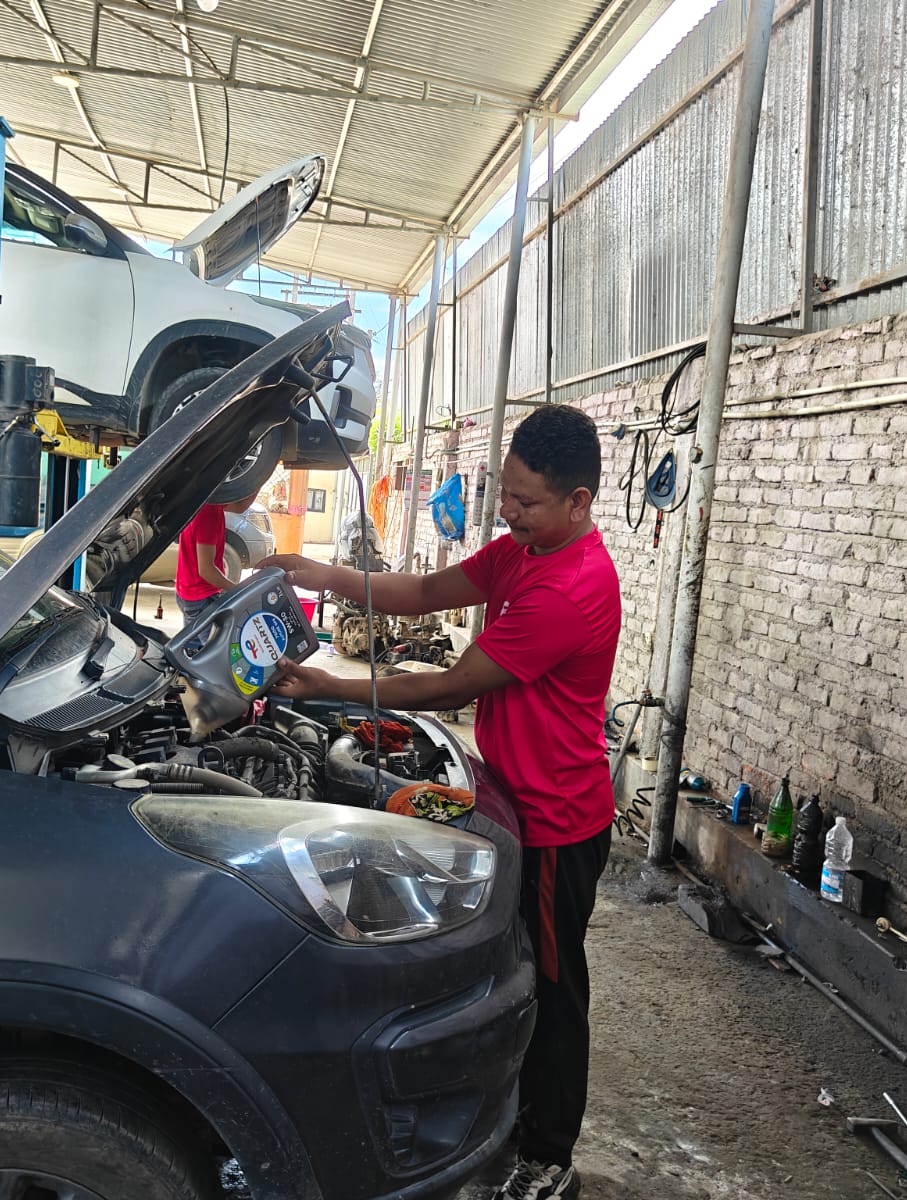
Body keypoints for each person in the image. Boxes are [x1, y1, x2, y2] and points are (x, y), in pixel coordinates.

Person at [262, 404, 621, 1200]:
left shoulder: (571, 588)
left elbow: (453, 685)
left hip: (558, 823)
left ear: (578, 502)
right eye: (507, 492)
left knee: (555, 987)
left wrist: (327, 686)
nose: (507, 511)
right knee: (503, 961)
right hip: (507, 793)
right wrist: (325, 574)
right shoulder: (527, 549)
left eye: (525, 501)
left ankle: (548, 1155)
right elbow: (425, 589)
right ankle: (499, 1112)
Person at [175, 494, 256, 626]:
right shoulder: (209, 514)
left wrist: (258, 482)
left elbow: (240, 506)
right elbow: (206, 571)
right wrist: (238, 590)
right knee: (208, 640)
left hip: (189, 591)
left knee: (194, 638)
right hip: (200, 597)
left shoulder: (204, 503)